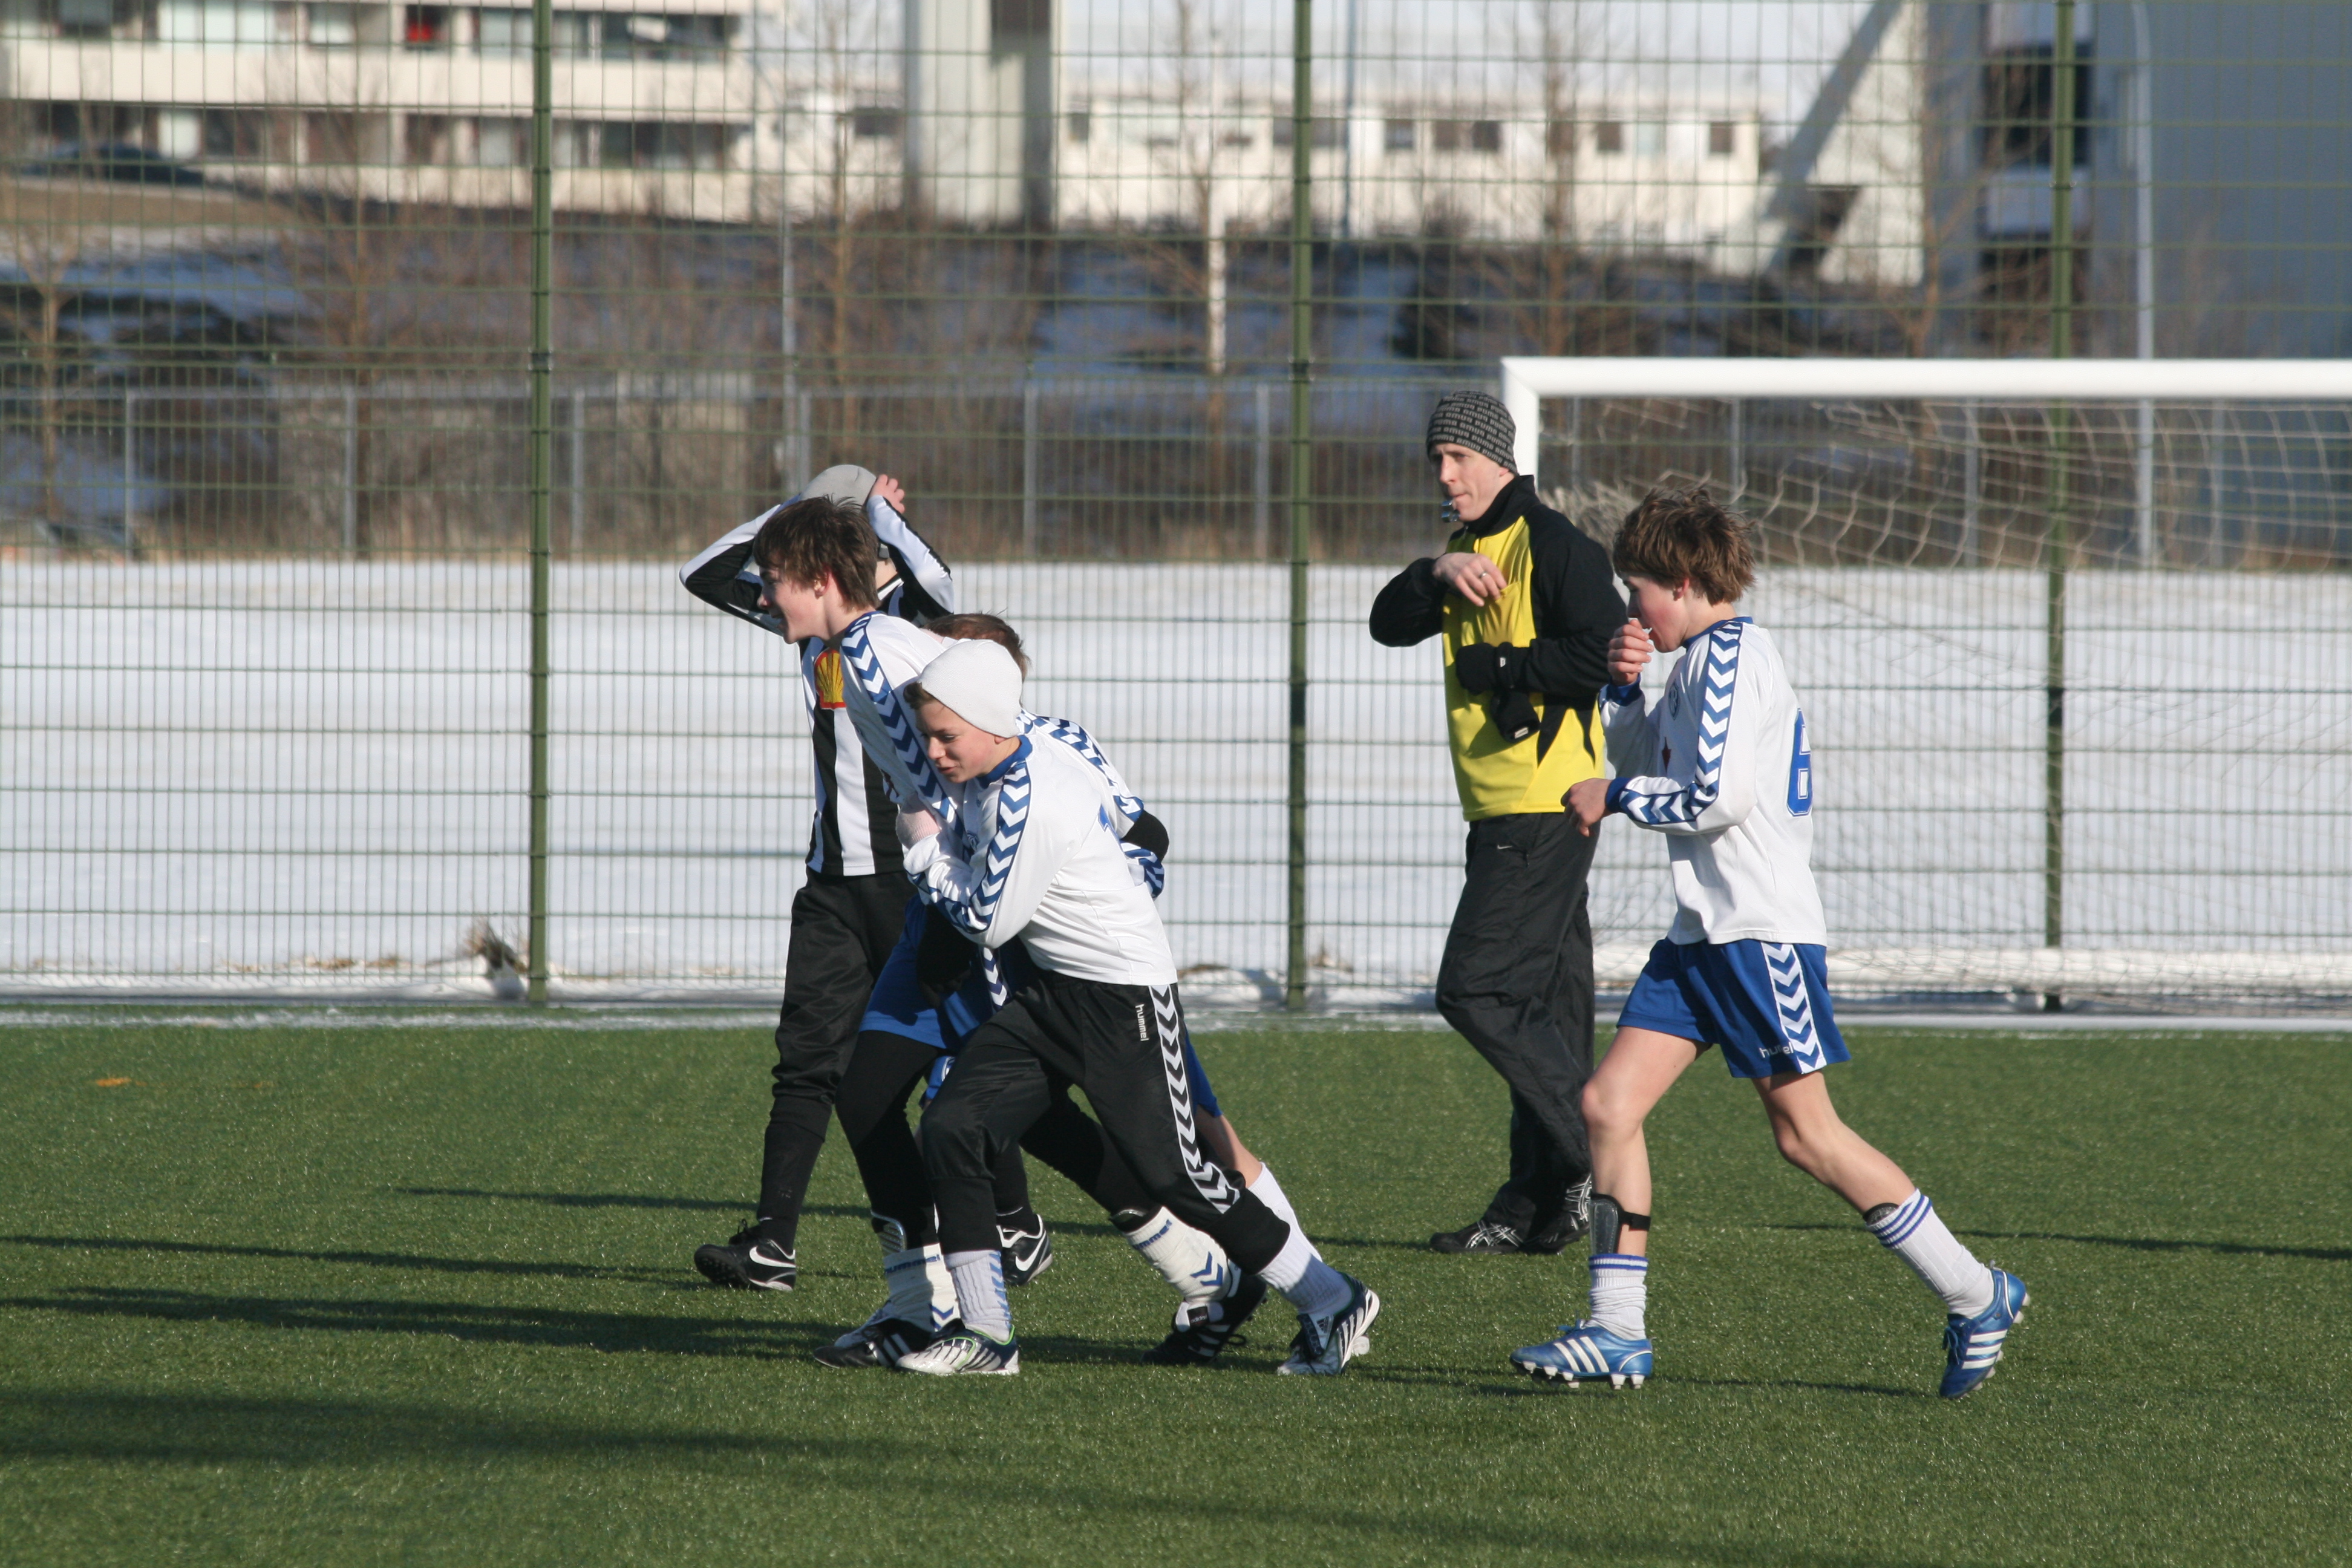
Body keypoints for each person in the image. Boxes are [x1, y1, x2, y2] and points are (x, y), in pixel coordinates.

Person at [1509, 487, 2027, 1399]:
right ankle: (1617, 1330)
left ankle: (1975, 1293)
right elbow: (1648, 759)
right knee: (1607, 1106)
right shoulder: (1696, 662)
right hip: (1700, 937)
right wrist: (1623, 692)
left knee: (1808, 1137)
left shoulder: (1734, 659)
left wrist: (1615, 798)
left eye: (1639, 591)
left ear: (1681, 582)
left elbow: (1717, 799)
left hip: (1758, 935)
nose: (1634, 608)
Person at [895, 639, 1380, 1376]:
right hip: (1055, 993)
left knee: (1177, 1174)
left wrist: (925, 851)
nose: (934, 752)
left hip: (1123, 999)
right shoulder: (1001, 767)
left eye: (946, 736)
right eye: (928, 736)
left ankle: (1332, 1298)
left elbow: (986, 922)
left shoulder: (1030, 799)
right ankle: (987, 1335)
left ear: (992, 722)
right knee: (953, 1126)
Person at [816, 612, 1272, 1368]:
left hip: (1011, 953)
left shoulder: (1053, 744)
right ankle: (918, 1305)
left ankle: (1222, 1274)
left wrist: (1116, 901)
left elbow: (1140, 831)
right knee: (867, 1097)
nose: (937, 736)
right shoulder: (890, 693)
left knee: (1055, 1125)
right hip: (933, 933)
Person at [677, 470, 1047, 1292]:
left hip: (914, 882)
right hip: (833, 885)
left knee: (965, 1053)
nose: (772, 594)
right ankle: (773, 1244)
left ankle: (1016, 1221)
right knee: (808, 1060)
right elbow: (705, 573)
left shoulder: (909, 620)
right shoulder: (808, 626)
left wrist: (875, 520)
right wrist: (805, 508)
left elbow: (943, 590)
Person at [1368, 391, 1625, 1256]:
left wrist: (1504, 665)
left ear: (1500, 459)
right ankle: (1536, 1202)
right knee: (1548, 1004)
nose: (1445, 475)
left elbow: (1606, 652)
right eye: (1436, 460)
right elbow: (1386, 626)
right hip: (1502, 809)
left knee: (1476, 991)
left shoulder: (1554, 545)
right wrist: (1432, 575)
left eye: (1459, 458)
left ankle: (1593, 1152)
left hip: (1545, 804)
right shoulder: (1463, 552)